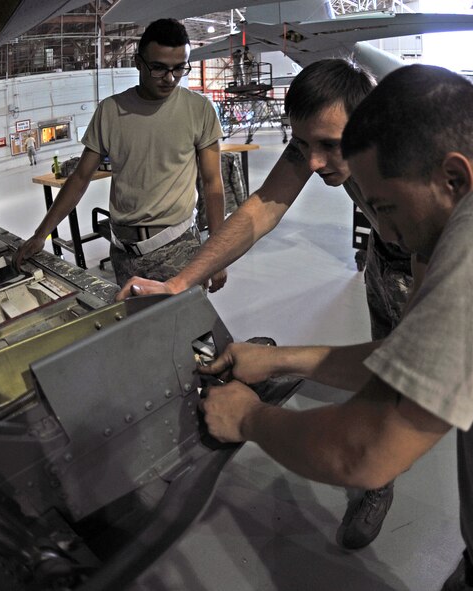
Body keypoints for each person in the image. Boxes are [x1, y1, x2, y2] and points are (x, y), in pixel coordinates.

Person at [198, 65, 473, 590]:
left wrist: (250, 418)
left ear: (452, 178)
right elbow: (405, 361)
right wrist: (278, 358)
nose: (386, 232)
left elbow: (364, 452)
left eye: (386, 208)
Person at [117, 59, 419, 550]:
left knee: (403, 384)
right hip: (384, 261)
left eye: (329, 146)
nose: (314, 162)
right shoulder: (320, 145)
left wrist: (270, 386)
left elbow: (415, 365)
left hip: (425, 267)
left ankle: (374, 476)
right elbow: (264, 207)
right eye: (304, 145)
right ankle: (376, 484)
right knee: (381, 369)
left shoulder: (412, 170)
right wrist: (181, 282)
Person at [14, 18, 227, 289]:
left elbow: (212, 183)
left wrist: (218, 252)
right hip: (122, 252)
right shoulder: (111, 111)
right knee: (137, 328)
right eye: (159, 68)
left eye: (178, 68)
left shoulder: (199, 109)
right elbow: (80, 178)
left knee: (188, 329)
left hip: (178, 248)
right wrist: (40, 234)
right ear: (138, 63)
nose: (170, 78)